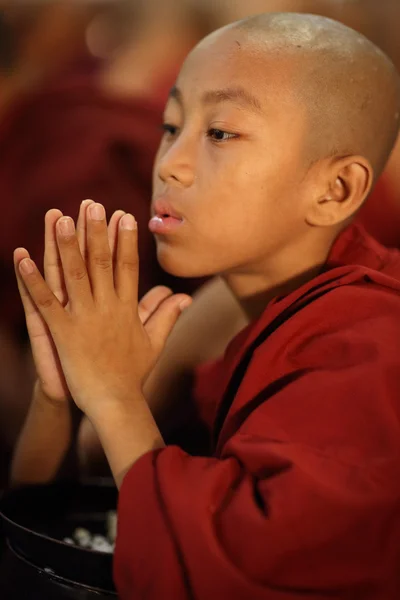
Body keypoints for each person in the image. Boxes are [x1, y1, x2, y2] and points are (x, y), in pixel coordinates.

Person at [12, 12, 400, 599]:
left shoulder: (370, 346)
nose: (170, 163)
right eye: (171, 126)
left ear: (335, 189)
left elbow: (250, 567)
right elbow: (56, 517)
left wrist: (115, 397)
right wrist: (62, 391)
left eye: (220, 132)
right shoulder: (244, 305)